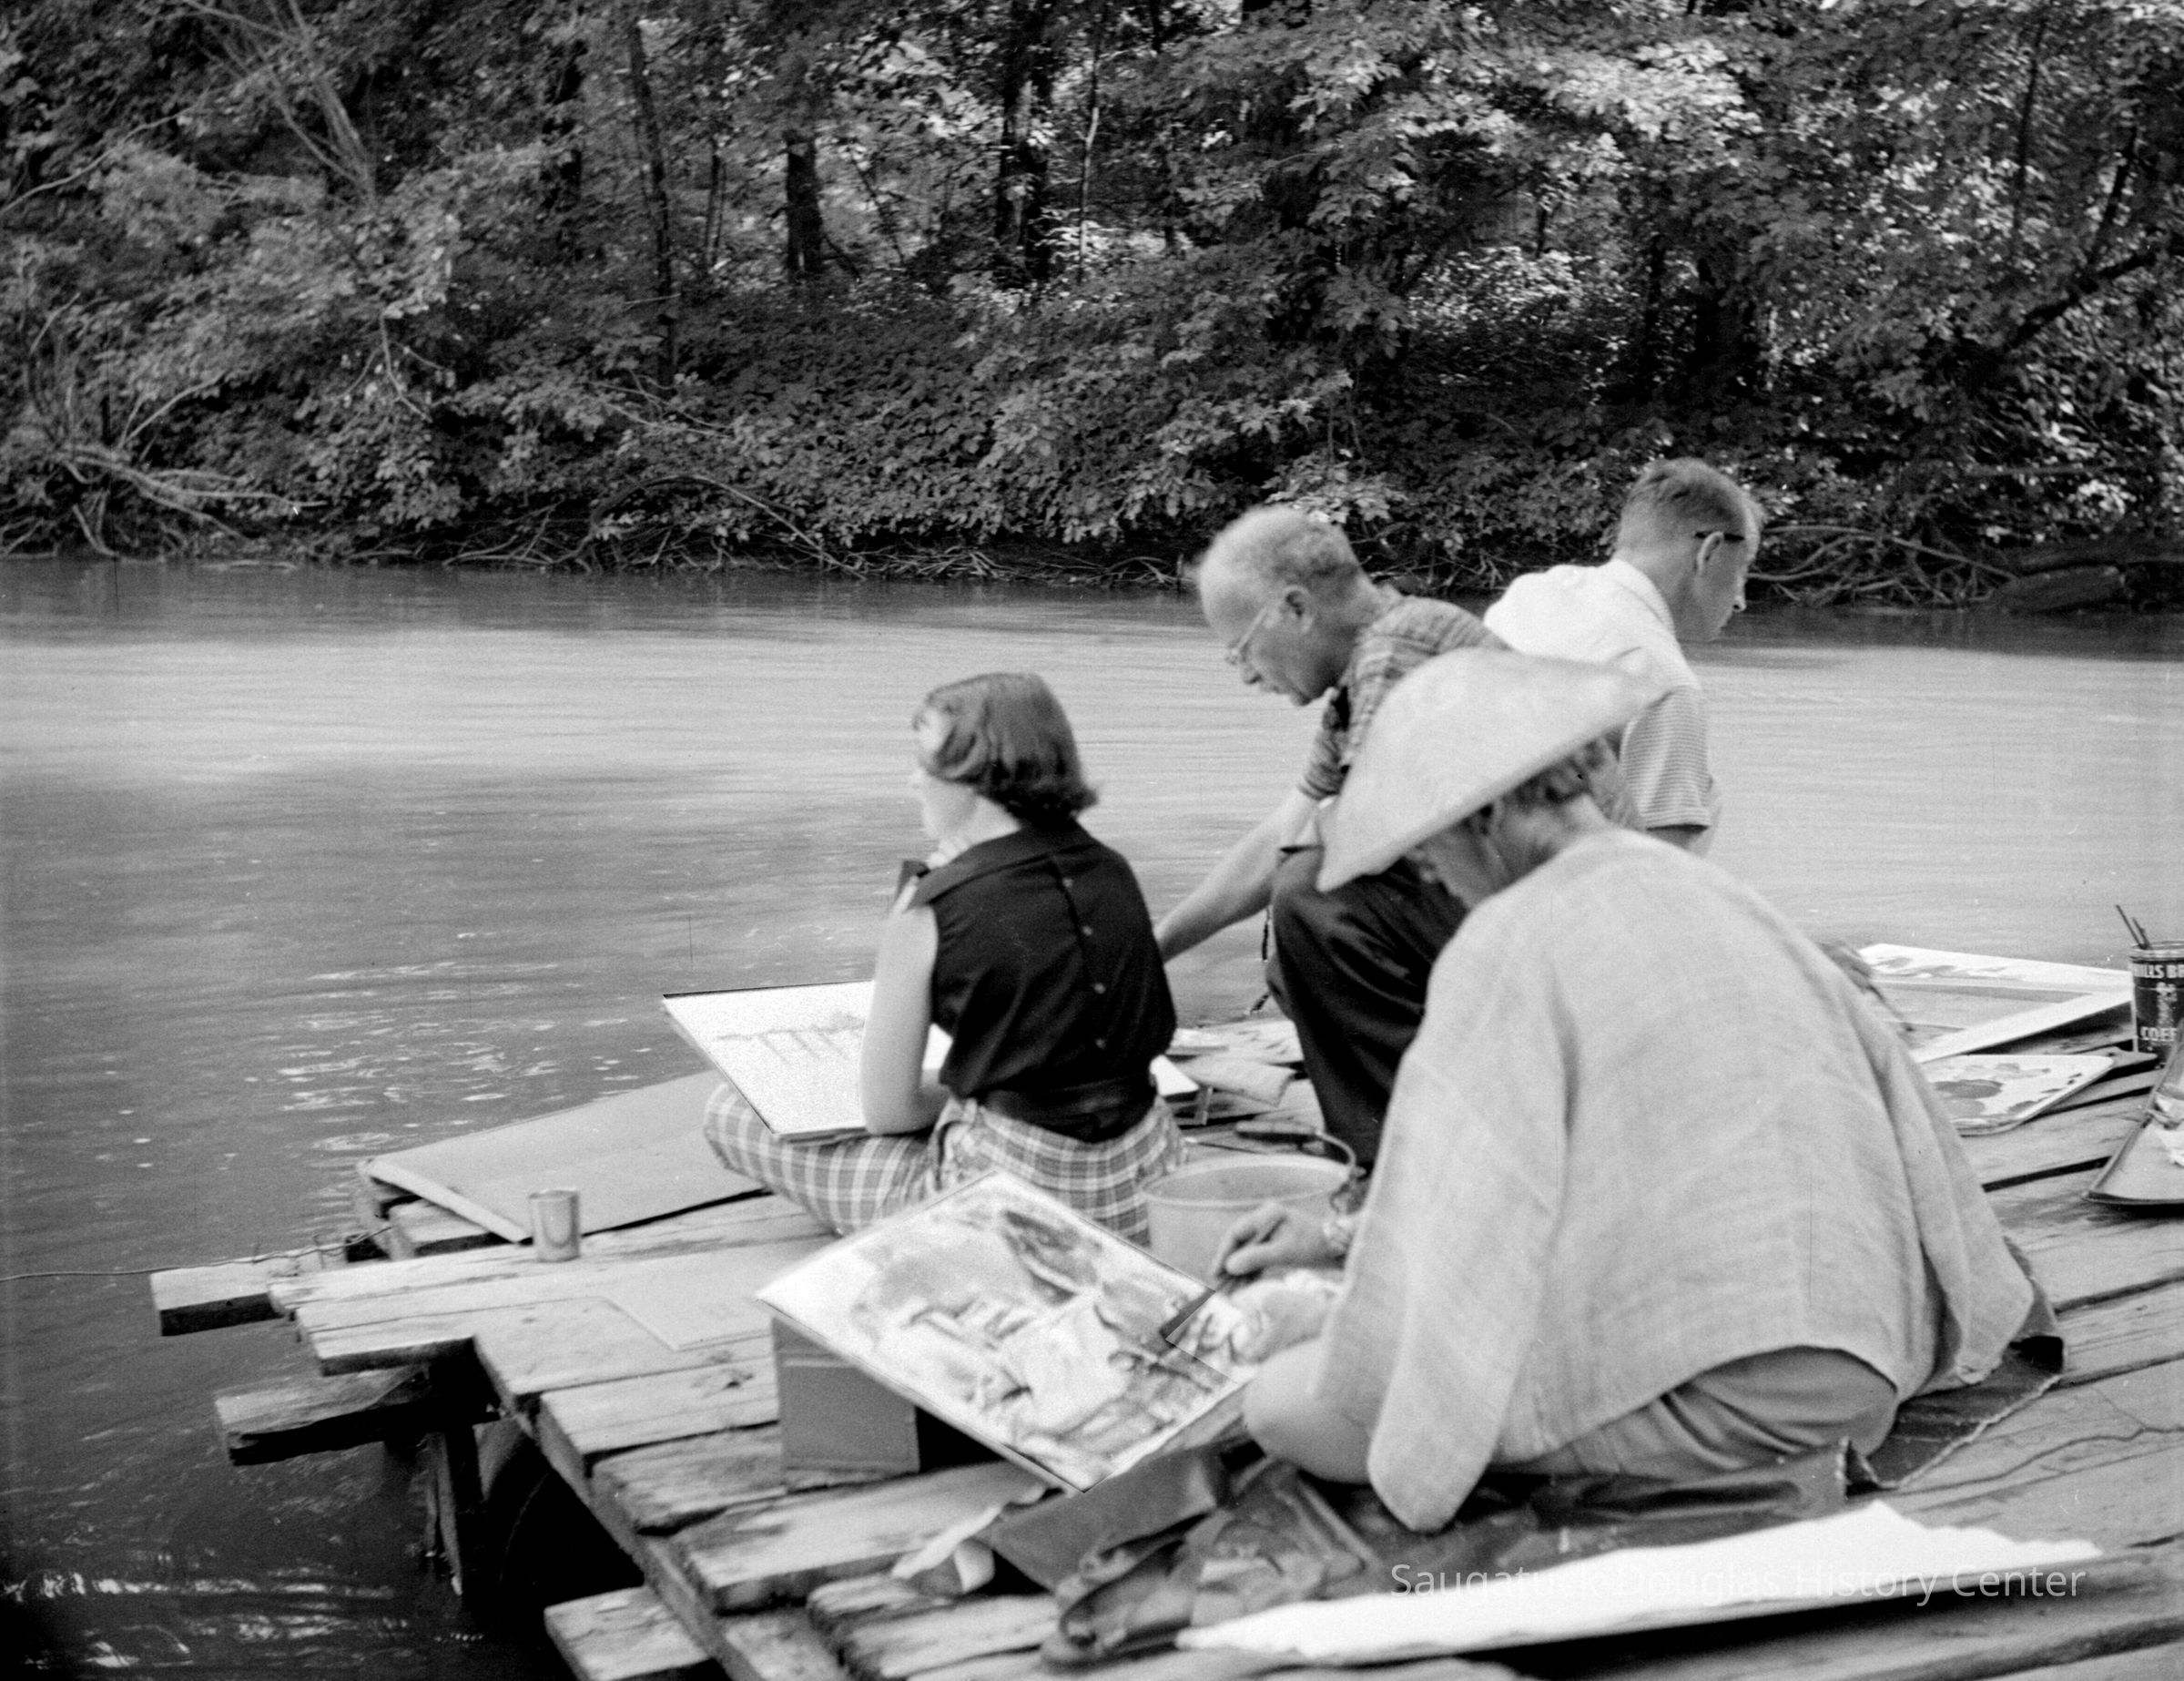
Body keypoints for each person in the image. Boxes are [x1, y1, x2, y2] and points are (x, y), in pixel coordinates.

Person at [1217, 648, 2039, 1533]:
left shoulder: (1504, 945)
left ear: (1483, 816)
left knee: (1282, 1403)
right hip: (1877, 1348)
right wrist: (1334, 1240)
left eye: (1426, 852)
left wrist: (1345, 1310)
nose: (1431, 879)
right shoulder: (1722, 895)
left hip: (1741, 1412)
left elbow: (1467, 1227)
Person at [705, 673, 1185, 1243]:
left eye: (925, 763)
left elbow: (890, 1111)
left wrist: (964, 1092)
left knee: (731, 1112)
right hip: (1144, 1192)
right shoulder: (1113, 868)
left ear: (977, 777)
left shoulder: (931, 905)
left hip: (1001, 1215)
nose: (913, 780)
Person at [1155, 507, 1499, 1165]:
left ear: (1295, 608)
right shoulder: (1360, 675)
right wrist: (1158, 945)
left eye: (1240, 649)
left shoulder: (1399, 649)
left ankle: (1400, 1159)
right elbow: (1282, 831)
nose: (1245, 674)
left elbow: (1353, 833)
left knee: (1309, 893)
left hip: (1544, 919)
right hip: (1495, 911)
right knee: (1294, 946)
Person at [1483, 458, 1762, 851]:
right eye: (1743, 568)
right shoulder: (1661, 683)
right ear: (1710, 551)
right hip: (1565, 878)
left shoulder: (1529, 595)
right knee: (1705, 793)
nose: (1740, 600)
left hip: (1464, 856)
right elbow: (1660, 868)